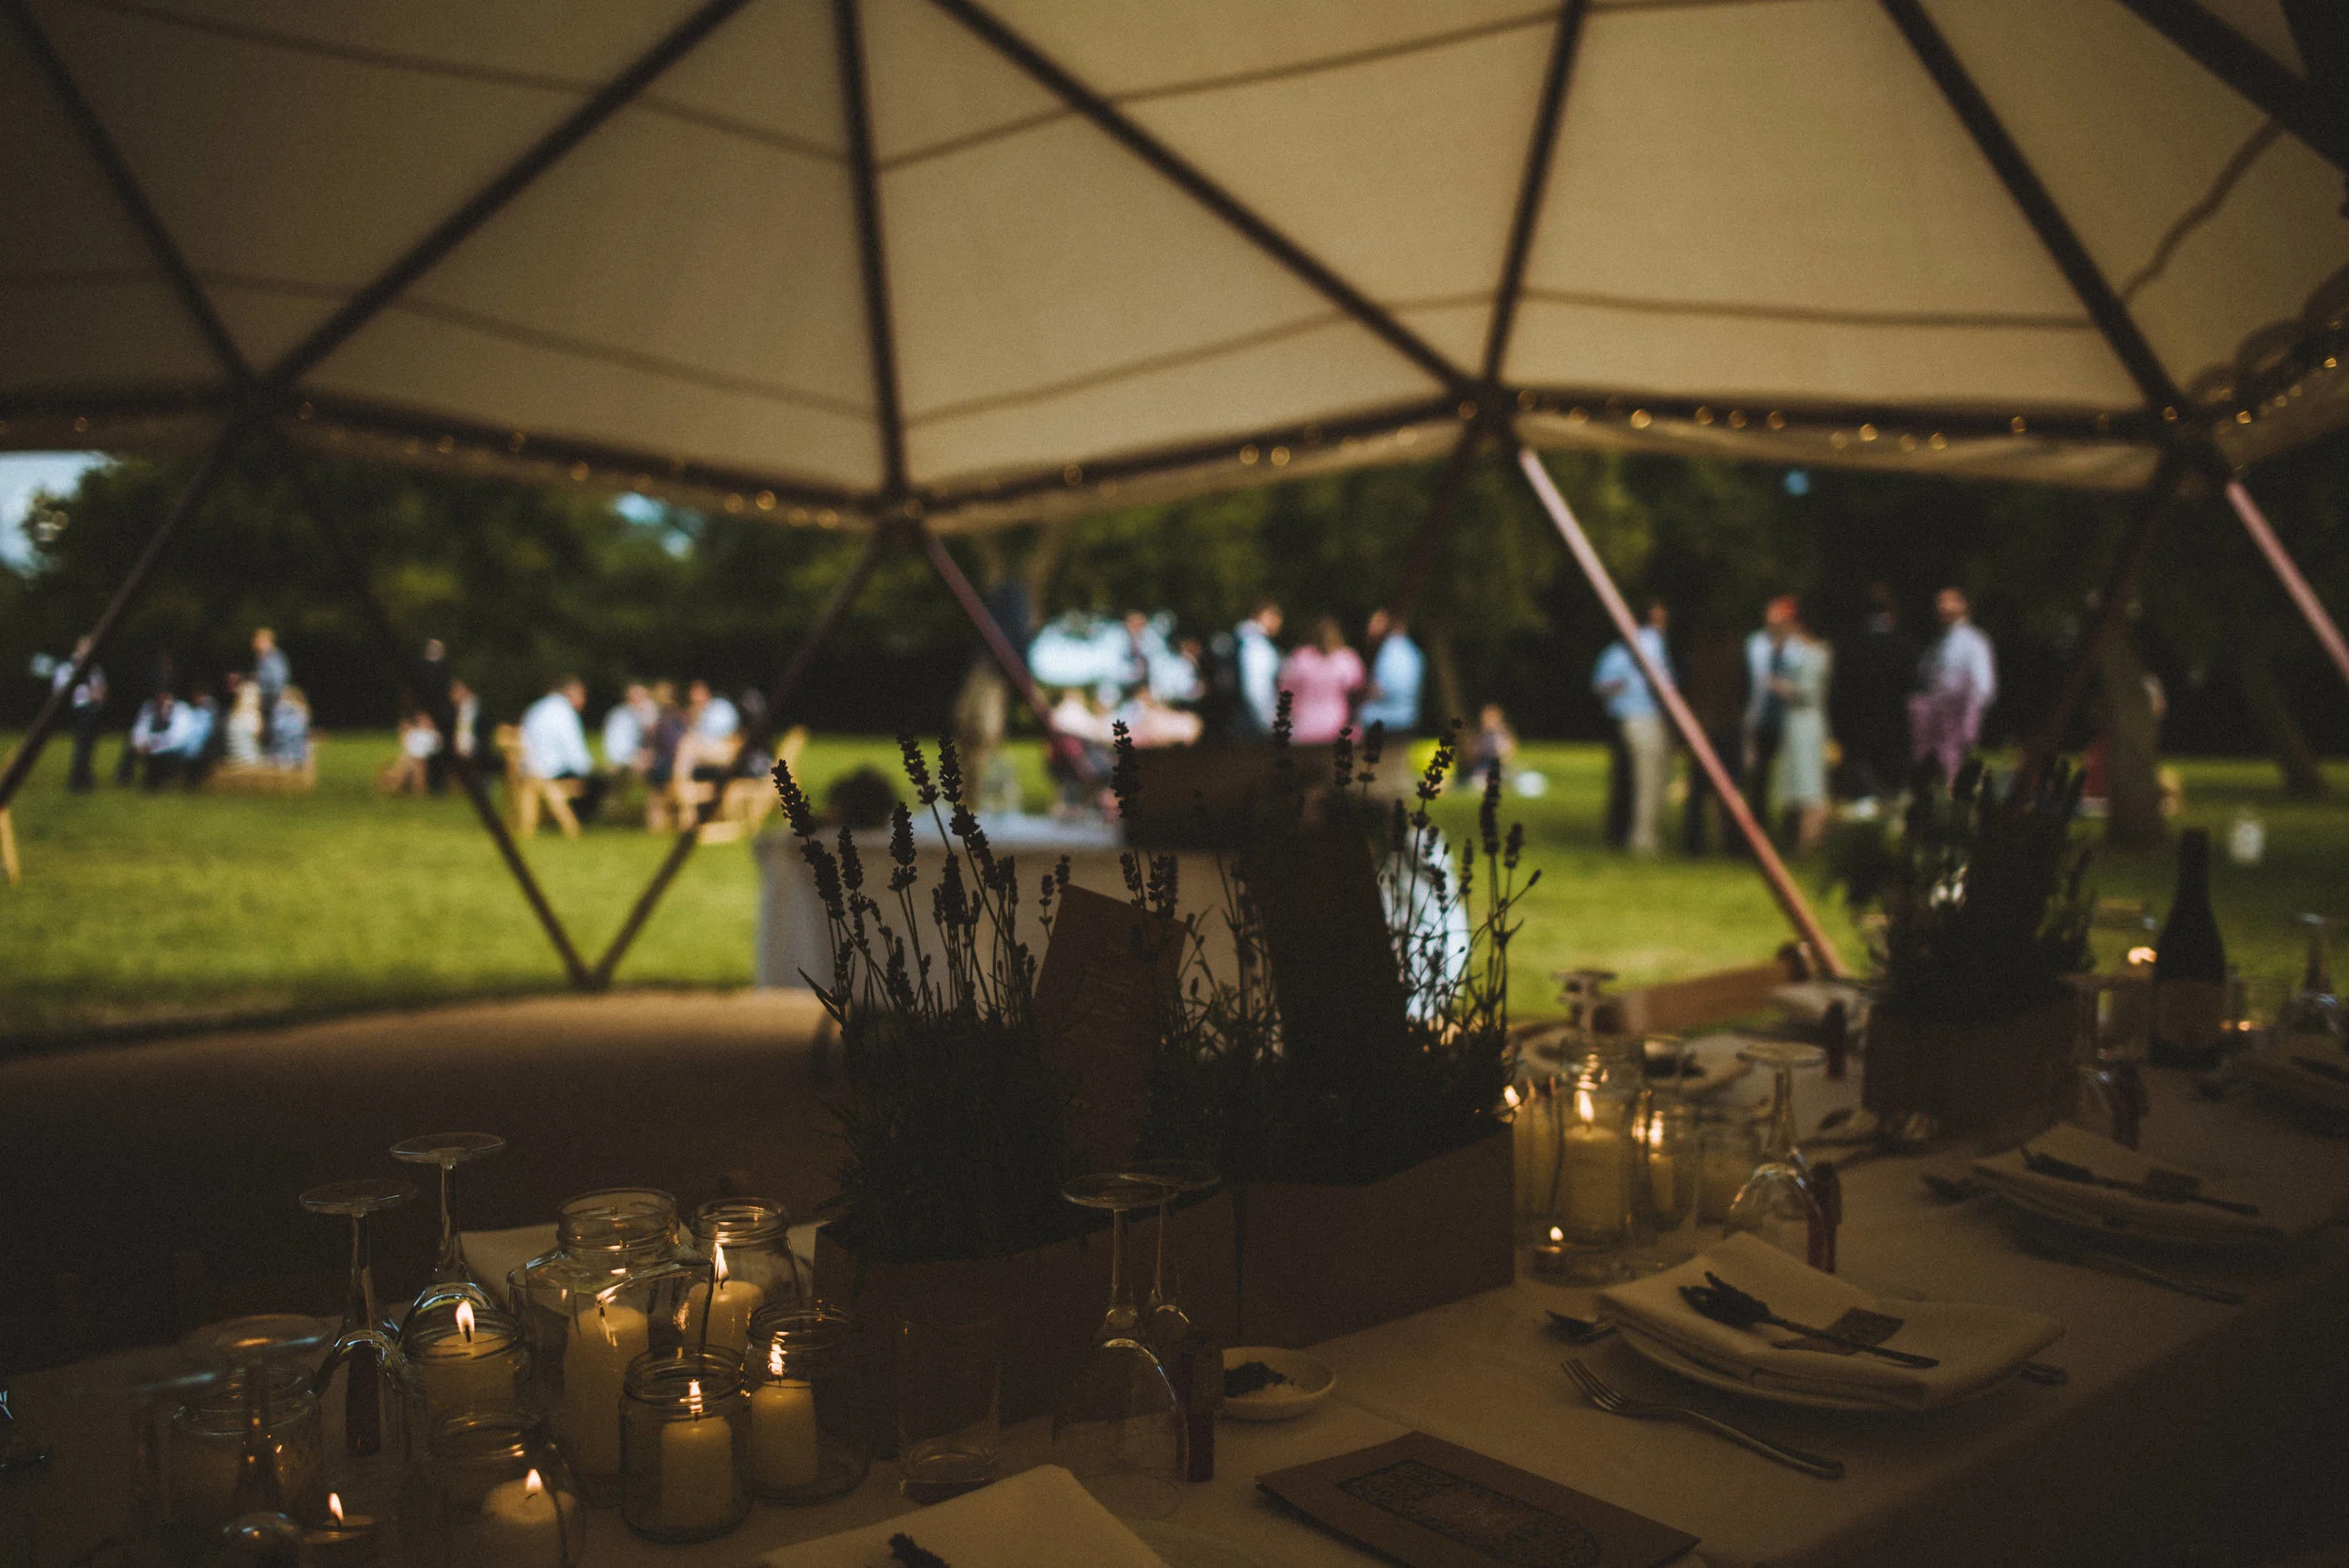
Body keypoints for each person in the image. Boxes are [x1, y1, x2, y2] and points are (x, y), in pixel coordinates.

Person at [1593, 601, 1676, 855]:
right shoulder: (1650, 642)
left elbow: (1600, 684)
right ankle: (1643, 837)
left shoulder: (1620, 648)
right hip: (1643, 717)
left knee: (1633, 779)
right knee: (1648, 780)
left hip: (1630, 719)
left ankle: (1631, 833)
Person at [1835, 583, 1918, 808]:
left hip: (1859, 729)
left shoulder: (1849, 646)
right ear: (1890, 611)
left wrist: (1841, 730)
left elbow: (1839, 693)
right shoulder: (1903, 645)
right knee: (1894, 794)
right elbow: (1913, 687)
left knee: (1864, 798)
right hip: (1894, 728)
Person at [1910, 586, 1996, 786]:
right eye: (1939, 602)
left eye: (1948, 601)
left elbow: (1984, 684)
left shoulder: (1975, 641)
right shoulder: (1938, 642)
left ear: (1963, 605)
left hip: (1958, 717)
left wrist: (1969, 715)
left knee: (1954, 769)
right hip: (1935, 717)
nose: (1941, 607)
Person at [1771, 608, 1834, 853]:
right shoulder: (1811, 653)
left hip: (1806, 722)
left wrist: (1780, 687)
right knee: (1800, 781)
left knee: (1809, 783)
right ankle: (1800, 839)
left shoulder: (1814, 655)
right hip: (1800, 722)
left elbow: (1806, 692)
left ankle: (1808, 842)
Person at [1740, 597, 1798, 847]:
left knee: (1791, 777)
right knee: (1759, 777)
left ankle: (1789, 832)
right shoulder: (1754, 645)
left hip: (1790, 722)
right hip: (1760, 718)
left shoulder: (1798, 648)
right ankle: (1757, 831)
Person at [521, 676, 606, 821]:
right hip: (550, 772)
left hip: (530, 770)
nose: (584, 700)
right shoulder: (564, 711)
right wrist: (589, 768)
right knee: (600, 781)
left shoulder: (536, 708)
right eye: (582, 695)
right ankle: (580, 819)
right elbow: (572, 750)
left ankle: (562, 817)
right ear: (571, 692)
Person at [1359, 609, 1424, 738]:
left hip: (1385, 723)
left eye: (1376, 621)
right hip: (1406, 720)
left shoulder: (1391, 651)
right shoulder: (1413, 651)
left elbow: (1391, 688)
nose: (1369, 627)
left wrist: (1361, 692)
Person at [54, 637, 106, 793]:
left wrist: (100, 694)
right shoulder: (68, 667)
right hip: (79, 709)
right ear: (79, 648)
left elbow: (101, 685)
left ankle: (85, 775)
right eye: (86, 647)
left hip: (94, 709)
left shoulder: (95, 668)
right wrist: (89, 695)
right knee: (82, 744)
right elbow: (60, 688)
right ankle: (76, 780)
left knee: (90, 744)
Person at [1232, 601, 1284, 738]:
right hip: (1253, 719)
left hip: (1239, 715)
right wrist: (1267, 720)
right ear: (1266, 616)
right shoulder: (1256, 644)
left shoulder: (1240, 638)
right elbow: (1255, 688)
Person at [126, 691, 193, 790]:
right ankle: (125, 780)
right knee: (130, 750)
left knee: (160, 757)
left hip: (174, 747)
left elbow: (177, 737)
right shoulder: (150, 707)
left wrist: (153, 745)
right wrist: (141, 744)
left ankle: (157, 782)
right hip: (151, 745)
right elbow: (140, 728)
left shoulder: (181, 709)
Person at [602, 683, 658, 775]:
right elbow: (618, 748)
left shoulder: (641, 715)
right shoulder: (620, 716)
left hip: (636, 755)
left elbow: (651, 738)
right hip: (624, 758)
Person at [381, 709, 439, 794]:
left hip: (421, 752)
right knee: (409, 759)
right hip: (414, 753)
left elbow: (428, 728)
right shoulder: (415, 732)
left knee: (412, 760)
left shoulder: (430, 733)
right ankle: (397, 781)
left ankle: (397, 781)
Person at [251, 629, 288, 753]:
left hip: (271, 697)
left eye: (257, 640)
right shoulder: (263, 657)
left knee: (270, 728)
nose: (254, 643)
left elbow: (278, 678)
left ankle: (271, 755)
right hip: (268, 696)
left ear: (266, 641)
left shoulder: (273, 657)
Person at [1468, 703, 1517, 792]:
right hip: (1482, 769)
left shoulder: (1503, 734)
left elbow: (1509, 752)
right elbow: (1472, 754)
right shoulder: (1478, 735)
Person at [268, 687, 312, 770]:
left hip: (288, 755)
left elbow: (279, 730)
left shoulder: (284, 710)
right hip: (290, 755)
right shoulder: (287, 711)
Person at [224, 675, 263, 767]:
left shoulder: (232, 716)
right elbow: (257, 741)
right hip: (250, 762)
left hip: (233, 760)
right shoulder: (253, 716)